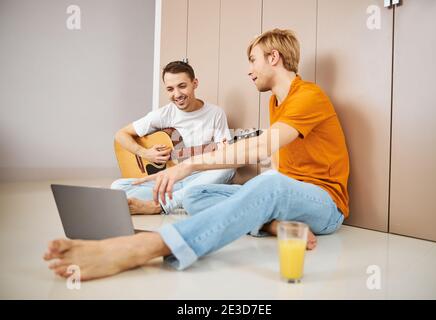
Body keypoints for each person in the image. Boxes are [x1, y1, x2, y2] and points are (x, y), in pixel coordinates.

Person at [44, 29, 350, 281]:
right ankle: (270, 224)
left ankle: (146, 246)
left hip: (325, 204)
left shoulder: (309, 95)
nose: (249, 69)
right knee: (195, 196)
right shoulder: (276, 103)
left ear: (273, 58)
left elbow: (261, 148)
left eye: (253, 60)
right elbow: (281, 162)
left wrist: (188, 165)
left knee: (269, 185)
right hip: (290, 198)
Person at [111, 61, 235, 214]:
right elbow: (120, 135)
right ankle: (184, 199)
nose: (177, 94)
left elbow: (226, 154)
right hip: (170, 182)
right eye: (170, 89)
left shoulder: (215, 113)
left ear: (195, 83)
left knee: (228, 168)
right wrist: (145, 153)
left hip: (199, 178)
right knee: (118, 186)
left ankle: (164, 204)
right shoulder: (164, 114)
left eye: (182, 86)